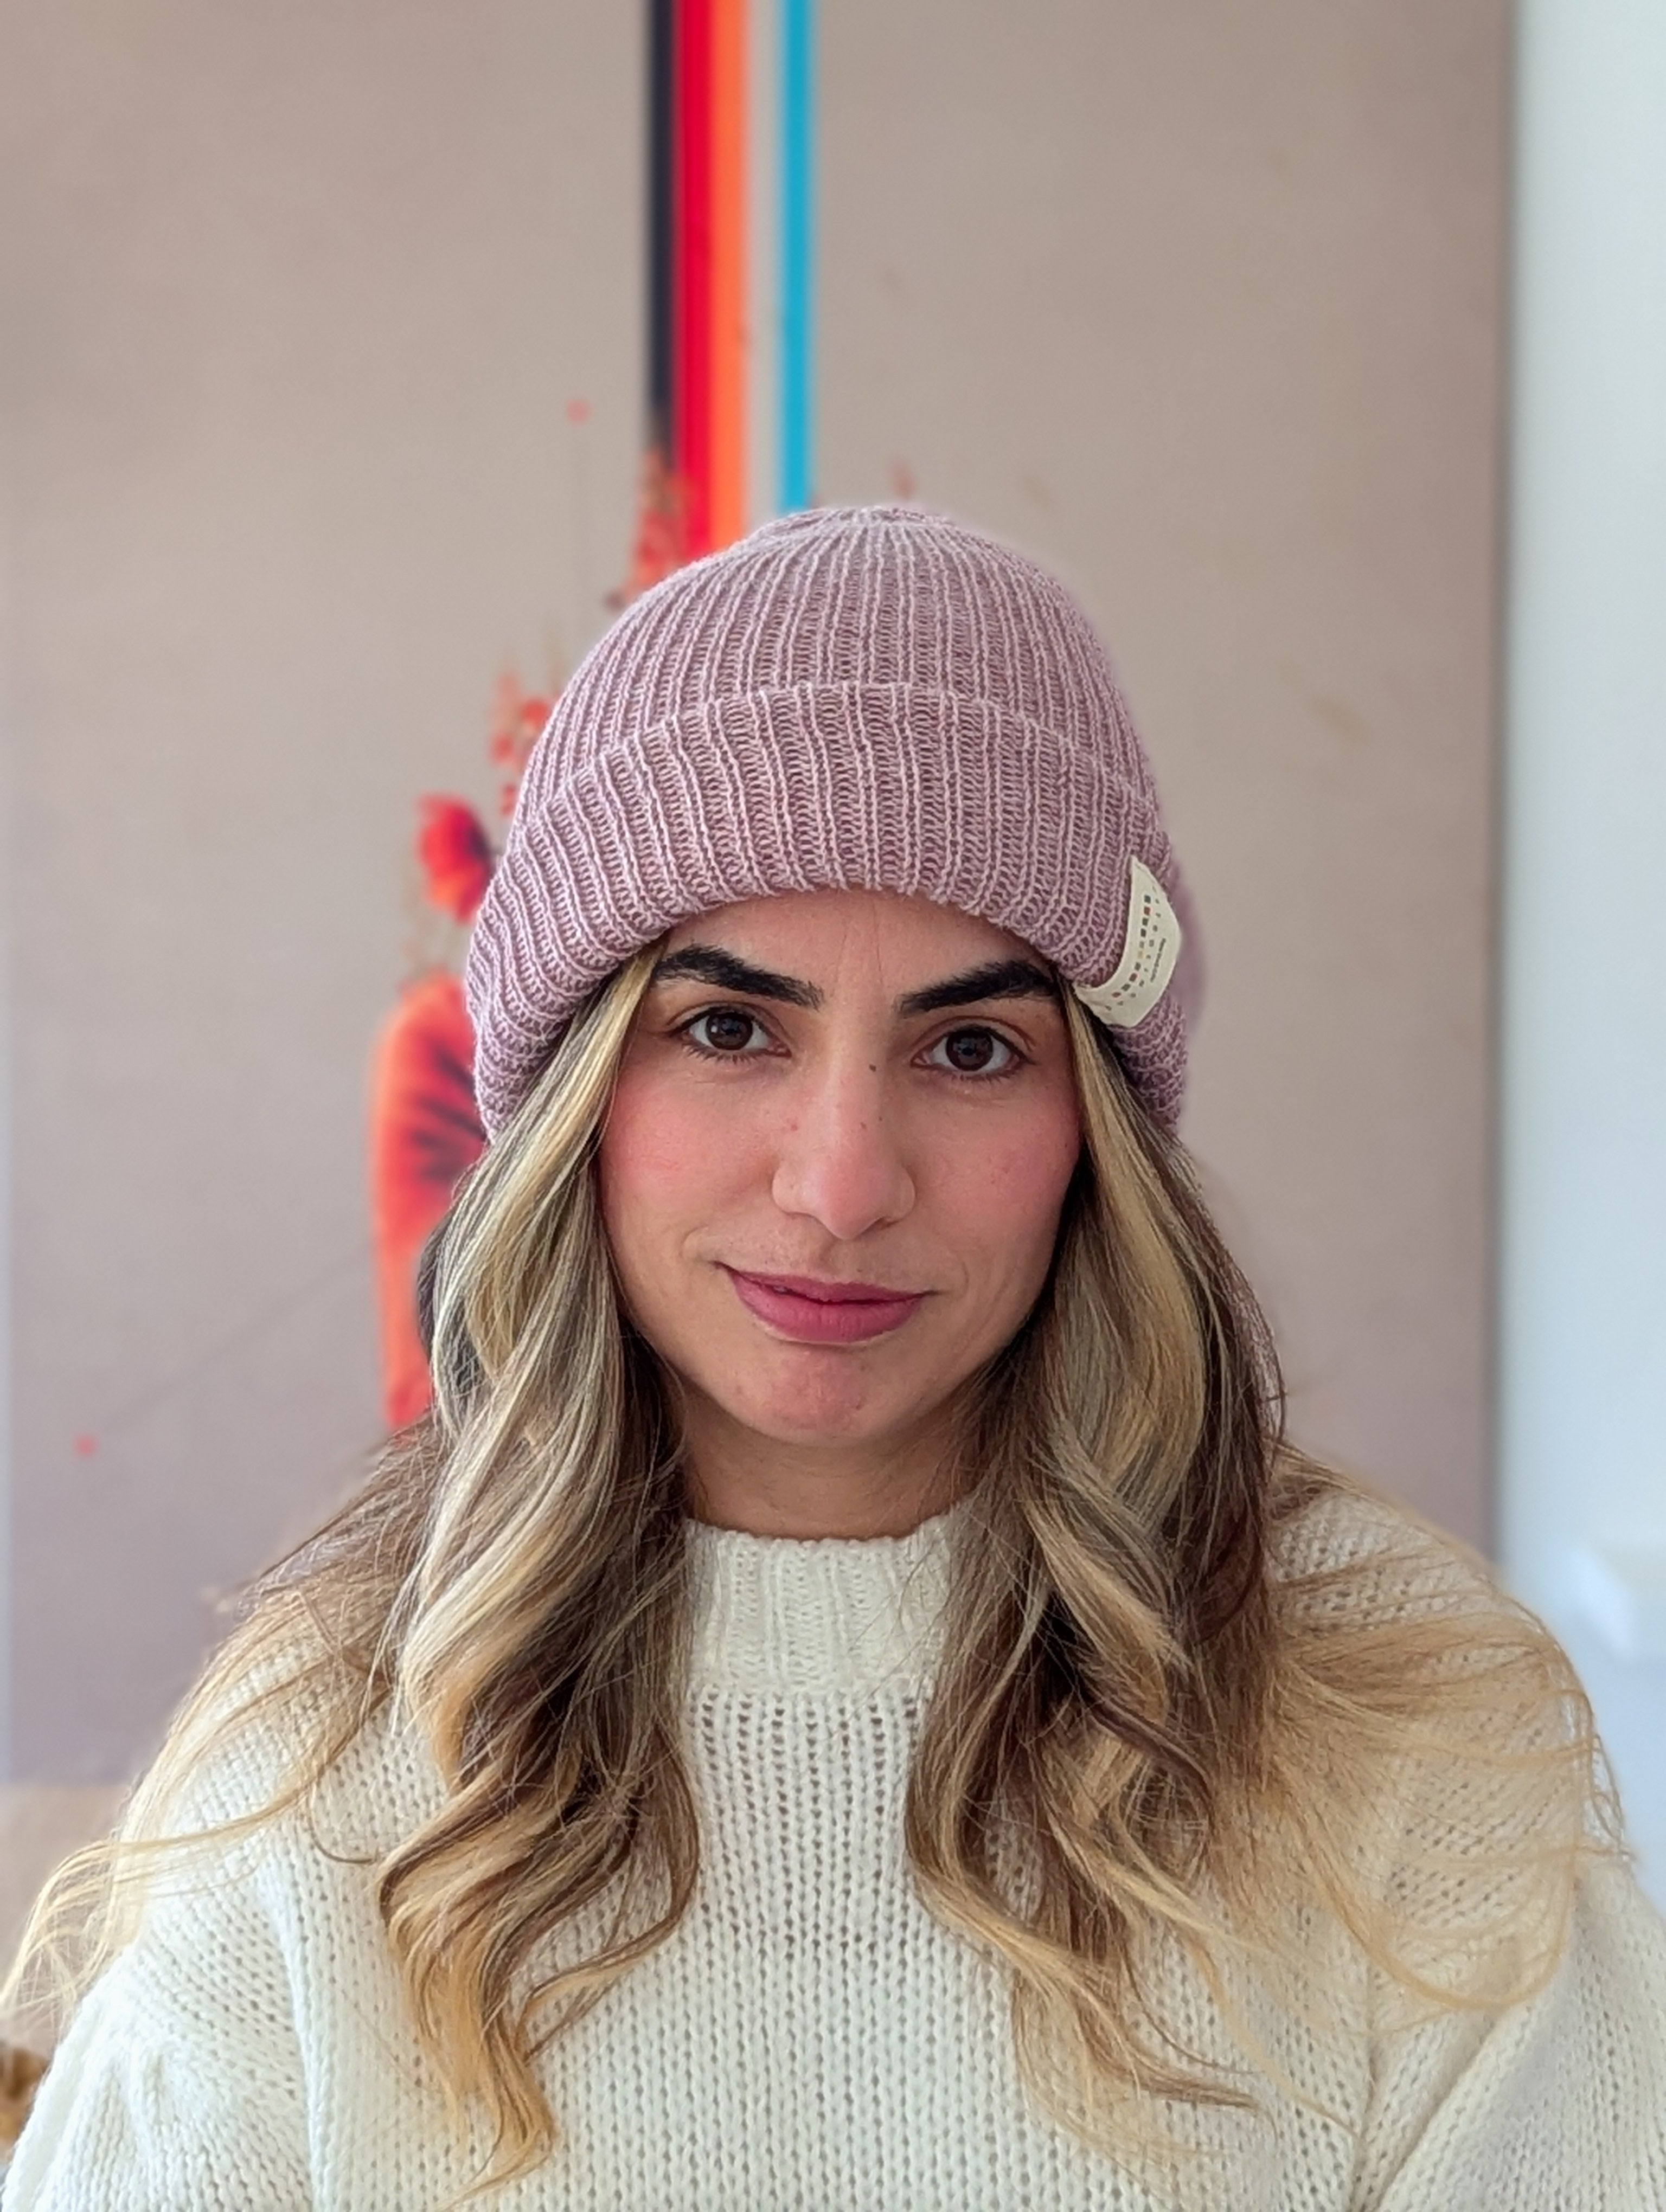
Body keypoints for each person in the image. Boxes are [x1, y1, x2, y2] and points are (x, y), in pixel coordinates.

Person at [5, 505, 1664, 2210]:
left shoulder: (1413, 1734)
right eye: (729, 1028)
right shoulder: (311, 1773)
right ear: (578, 1099)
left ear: (1093, 1133)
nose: (845, 1184)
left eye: (972, 1047)